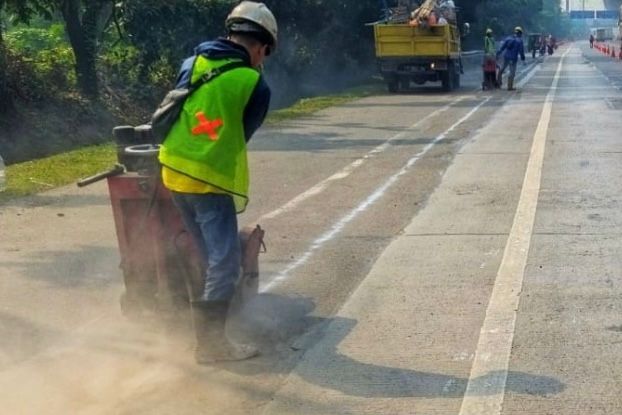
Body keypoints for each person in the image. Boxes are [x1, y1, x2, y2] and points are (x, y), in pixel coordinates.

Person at [158, 1, 277, 364]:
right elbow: (242, 133)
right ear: (261, 47)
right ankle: (211, 346)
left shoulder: (193, 62)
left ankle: (206, 334)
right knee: (224, 263)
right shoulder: (254, 83)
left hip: (173, 171)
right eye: (265, 54)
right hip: (208, 182)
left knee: (209, 258)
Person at [497, 26, 525, 91]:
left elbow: (502, 47)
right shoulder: (520, 41)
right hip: (513, 58)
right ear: (520, 33)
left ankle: (498, 83)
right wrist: (523, 58)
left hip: (506, 57)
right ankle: (509, 87)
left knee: (502, 69)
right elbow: (521, 51)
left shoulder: (508, 38)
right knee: (512, 72)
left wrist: (498, 53)